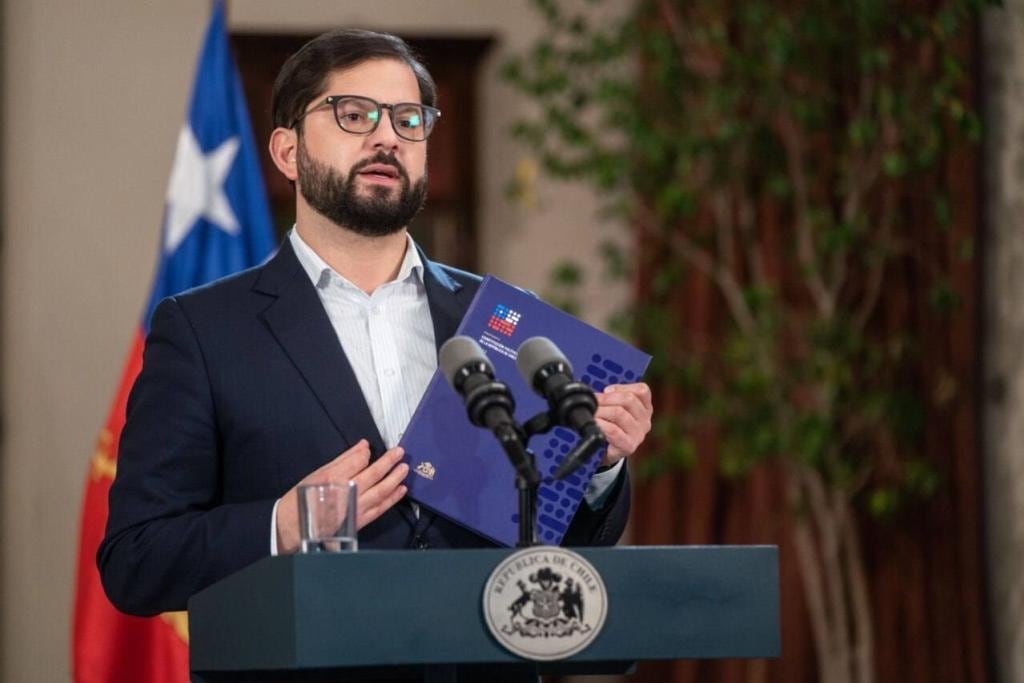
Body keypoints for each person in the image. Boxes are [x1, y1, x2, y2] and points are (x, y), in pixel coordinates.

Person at [98, 28, 653, 618]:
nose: (388, 137)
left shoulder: (503, 321)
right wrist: (283, 524)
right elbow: (136, 561)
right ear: (288, 152)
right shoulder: (202, 330)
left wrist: (603, 463)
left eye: (409, 120)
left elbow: (561, 551)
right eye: (354, 115)